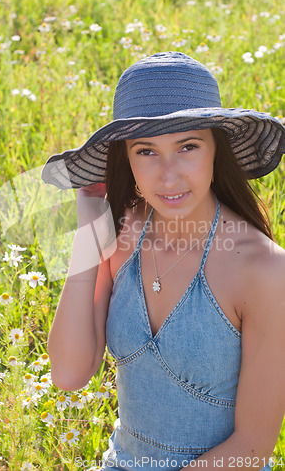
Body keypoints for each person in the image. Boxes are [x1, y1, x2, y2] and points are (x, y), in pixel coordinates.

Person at [41, 52, 285, 471]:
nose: (168, 176)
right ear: (127, 160)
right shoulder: (123, 234)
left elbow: (251, 447)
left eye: (187, 146)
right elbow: (69, 373)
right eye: (146, 151)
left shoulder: (264, 270)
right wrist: (88, 237)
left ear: (215, 150)